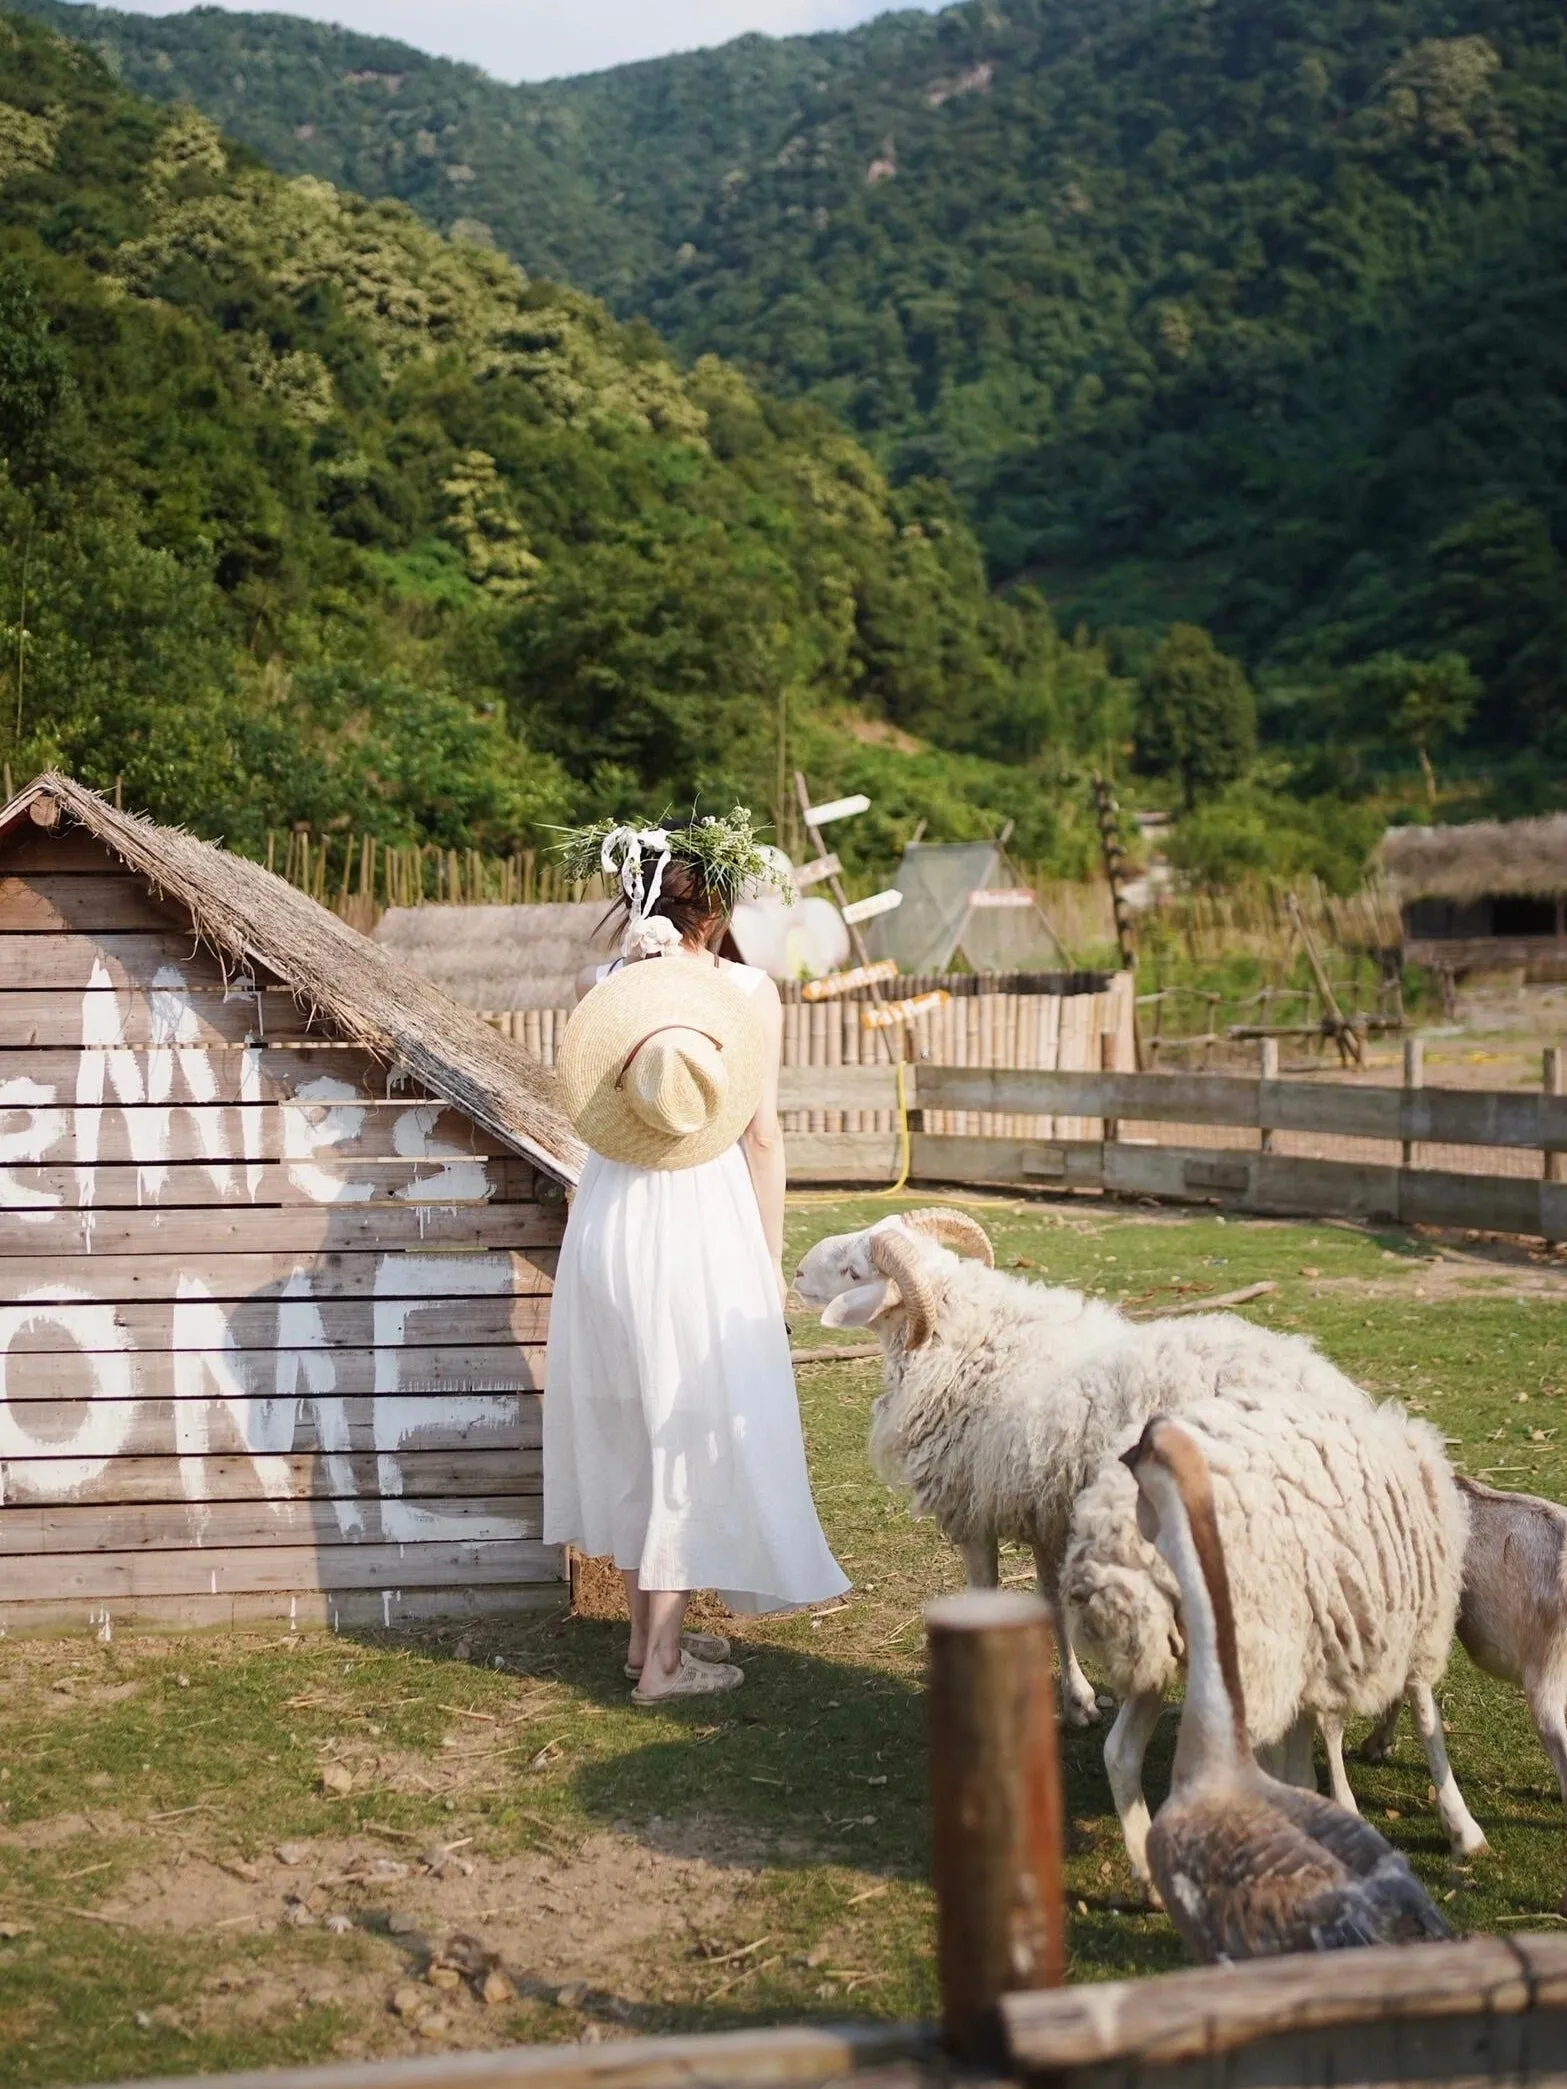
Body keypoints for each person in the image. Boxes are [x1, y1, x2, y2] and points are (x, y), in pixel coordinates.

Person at [543, 813, 849, 1702]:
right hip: (696, 1224)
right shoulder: (748, 995)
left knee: (636, 1423)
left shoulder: (594, 983)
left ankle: (645, 1643)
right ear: (715, 912)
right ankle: (665, 1666)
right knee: (683, 1426)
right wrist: (767, 1255)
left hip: (607, 1222)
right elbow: (759, 1137)